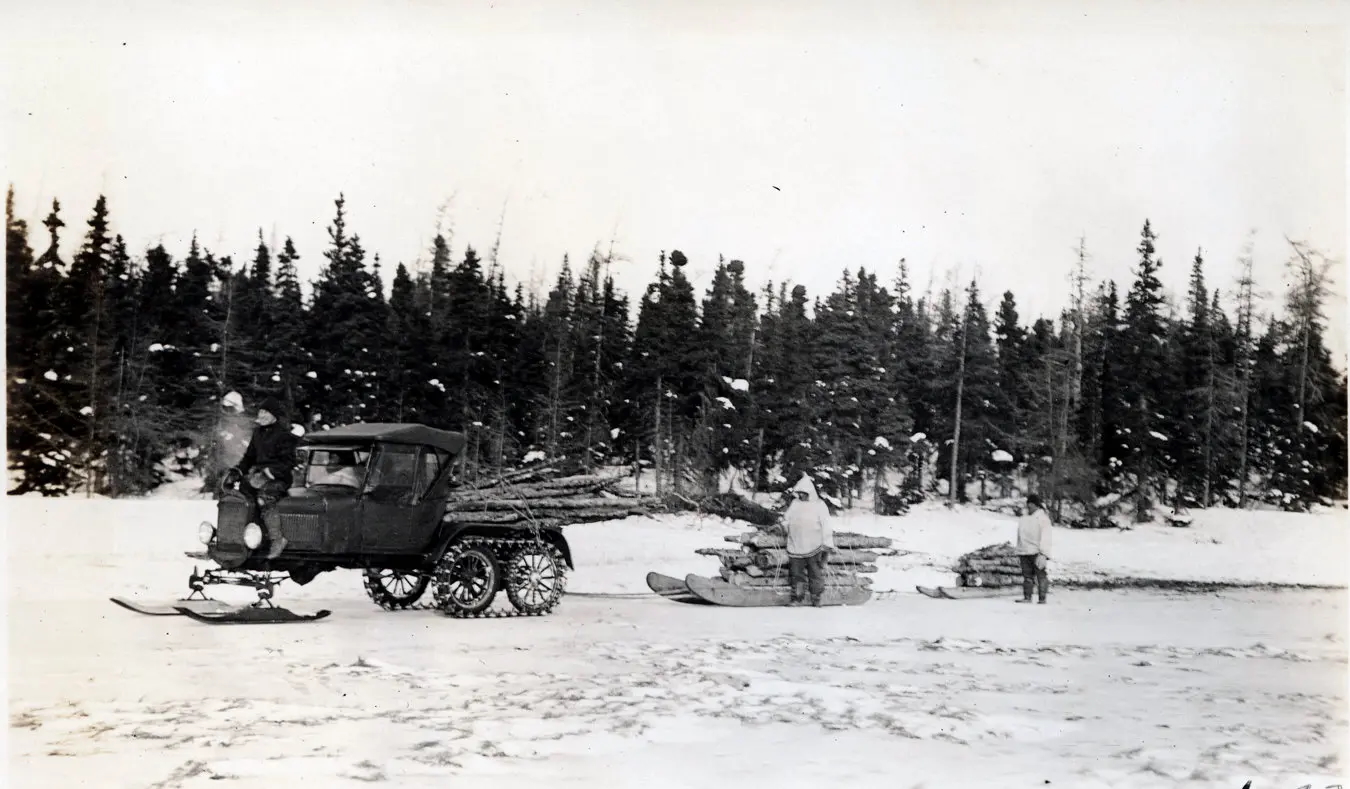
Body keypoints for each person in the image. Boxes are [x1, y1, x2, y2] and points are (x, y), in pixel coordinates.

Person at [234, 397, 299, 551]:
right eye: (260, 412)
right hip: (257, 476)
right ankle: (250, 535)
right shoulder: (258, 433)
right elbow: (249, 457)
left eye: (265, 412)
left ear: (274, 415)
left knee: (265, 496)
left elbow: (288, 462)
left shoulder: (284, 435)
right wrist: (237, 470)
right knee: (242, 496)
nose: (261, 415)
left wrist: (268, 473)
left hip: (278, 478)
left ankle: (277, 538)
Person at [784, 474, 835, 607]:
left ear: (810, 492)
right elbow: (787, 519)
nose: (801, 495)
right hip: (795, 545)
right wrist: (783, 526)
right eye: (799, 493)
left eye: (804, 493)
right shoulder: (795, 504)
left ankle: (816, 597)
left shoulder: (819, 505)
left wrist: (827, 543)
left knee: (815, 573)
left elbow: (826, 525)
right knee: (796, 574)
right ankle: (797, 598)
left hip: (814, 545)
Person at [1015, 493, 1054, 604]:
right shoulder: (1023, 518)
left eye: (1031, 504)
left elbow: (1046, 537)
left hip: (1037, 552)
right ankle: (1027, 597)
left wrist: (1043, 553)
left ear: (1037, 505)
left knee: (1041, 575)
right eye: (1028, 504)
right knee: (1027, 576)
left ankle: (1042, 598)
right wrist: (1019, 549)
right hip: (1024, 551)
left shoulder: (1043, 519)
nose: (1029, 507)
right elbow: (1019, 535)